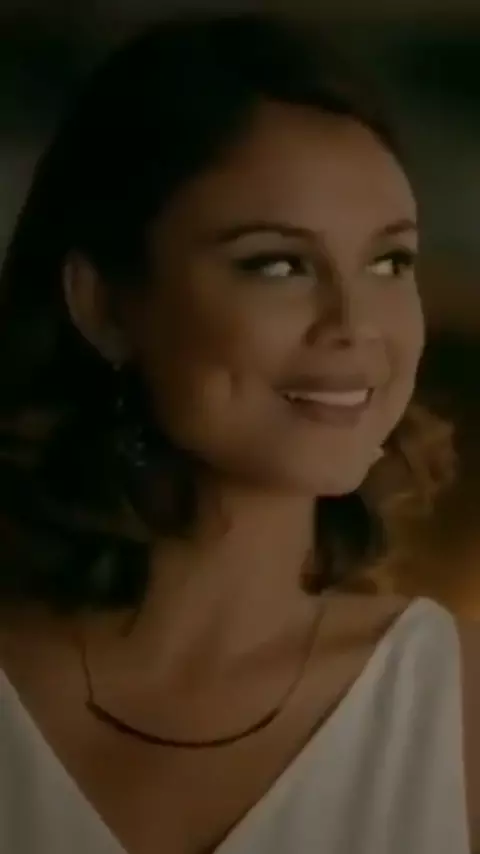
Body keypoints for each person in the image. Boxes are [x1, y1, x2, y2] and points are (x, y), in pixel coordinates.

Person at [0, 13, 478, 854]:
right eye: (278, 264)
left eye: (389, 263)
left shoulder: (457, 705)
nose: (355, 324)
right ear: (105, 306)